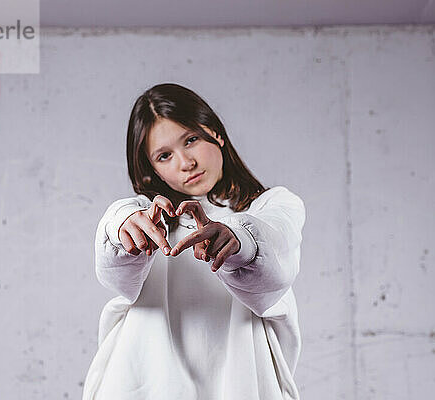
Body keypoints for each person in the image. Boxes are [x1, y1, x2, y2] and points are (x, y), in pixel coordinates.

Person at [82, 83, 306, 400]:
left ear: (215, 132)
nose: (186, 162)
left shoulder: (272, 207)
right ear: (152, 171)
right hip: (145, 384)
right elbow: (117, 275)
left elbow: (273, 259)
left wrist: (237, 239)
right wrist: (120, 222)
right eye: (164, 156)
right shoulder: (149, 220)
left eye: (191, 139)